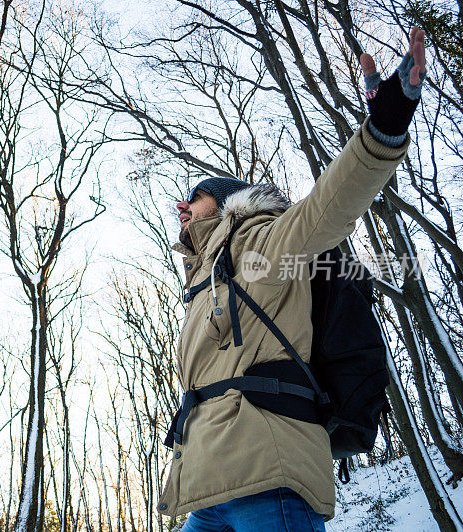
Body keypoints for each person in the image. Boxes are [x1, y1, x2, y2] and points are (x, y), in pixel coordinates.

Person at [157, 27, 428, 532]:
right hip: (207, 487)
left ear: (225, 202)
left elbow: (327, 210)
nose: (181, 207)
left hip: (269, 473)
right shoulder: (203, 281)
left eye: (193, 197)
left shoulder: (261, 247)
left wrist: (381, 134)